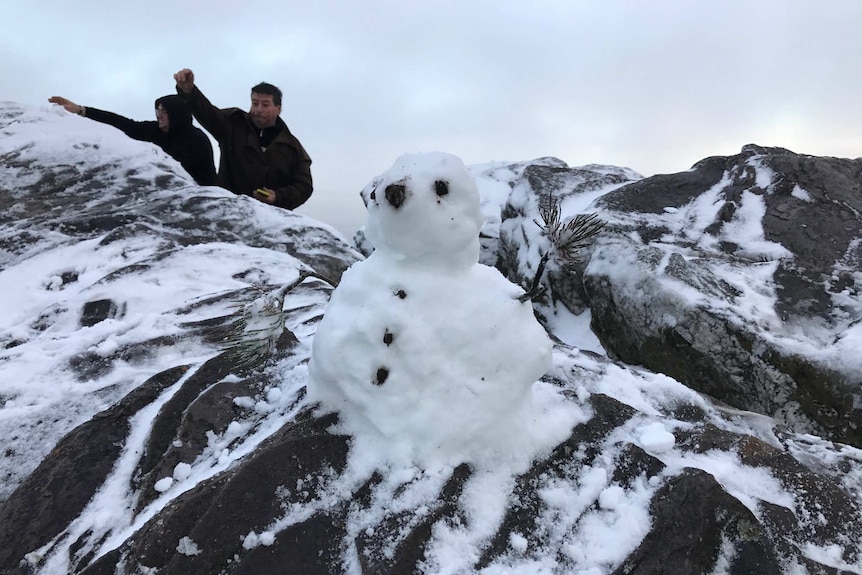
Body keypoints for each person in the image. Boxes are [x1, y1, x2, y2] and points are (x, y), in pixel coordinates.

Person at [173, 68, 313, 210]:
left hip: (270, 220)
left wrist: (277, 196)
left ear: (278, 108)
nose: (258, 109)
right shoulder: (233, 123)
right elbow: (207, 113)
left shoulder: (292, 147)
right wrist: (189, 91)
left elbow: (304, 187)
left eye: (265, 105)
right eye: (254, 103)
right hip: (229, 213)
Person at [48, 95, 217, 186]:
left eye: (164, 111)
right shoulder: (153, 130)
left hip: (200, 195)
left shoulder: (196, 140)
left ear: (176, 114)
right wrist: (81, 110)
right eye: (157, 110)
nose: (158, 114)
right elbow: (122, 123)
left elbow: (187, 173)